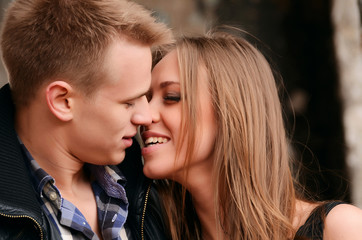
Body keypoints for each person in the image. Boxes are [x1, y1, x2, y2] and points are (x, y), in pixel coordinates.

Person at [141, 28, 362, 240]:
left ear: (230, 112)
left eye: (171, 97)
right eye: (145, 98)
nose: (144, 114)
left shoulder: (339, 229)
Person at [0, 0, 173, 239]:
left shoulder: (152, 185)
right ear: (62, 101)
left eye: (146, 96)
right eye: (129, 102)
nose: (146, 117)